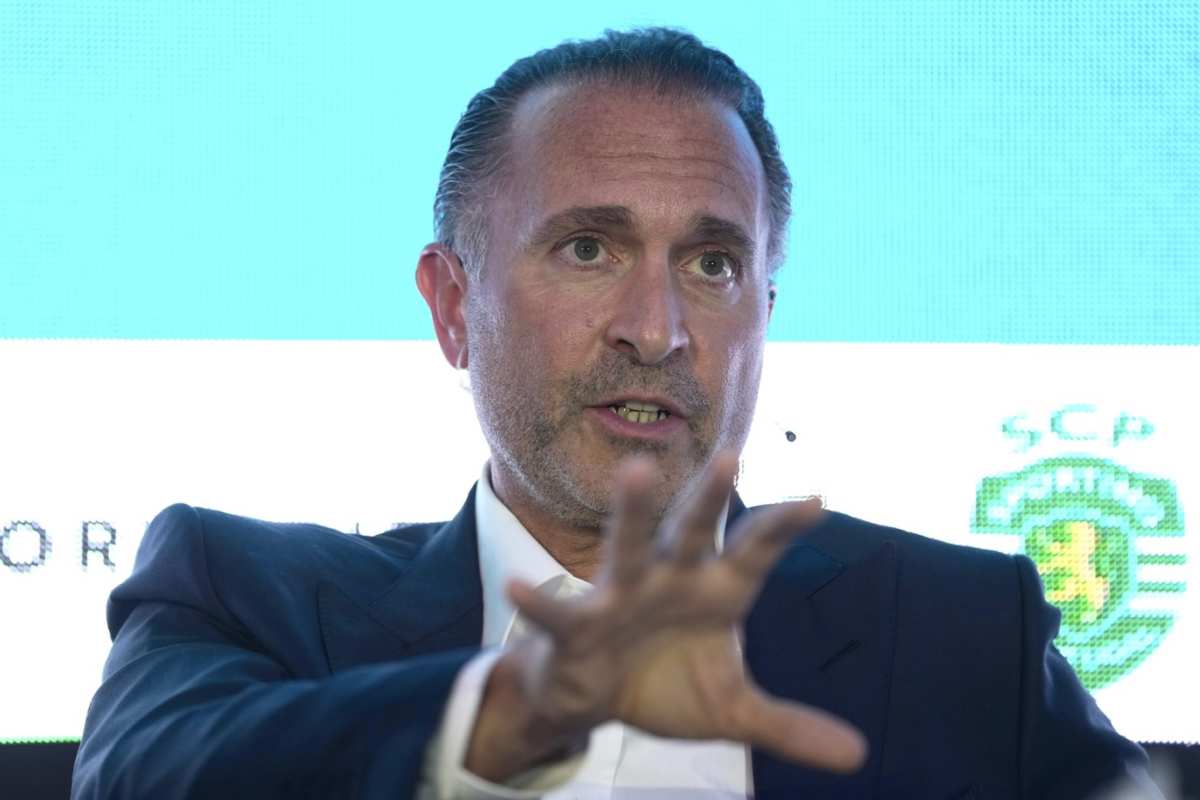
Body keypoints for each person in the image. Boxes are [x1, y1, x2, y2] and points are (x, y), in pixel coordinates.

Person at [71, 27, 1162, 799]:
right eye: (588, 248)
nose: (657, 327)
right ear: (452, 307)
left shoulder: (958, 629)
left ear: (764, 313)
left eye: (712, 263)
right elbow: (140, 776)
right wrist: (514, 710)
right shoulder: (249, 591)